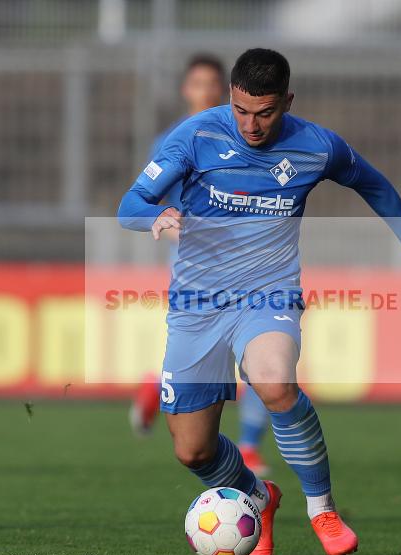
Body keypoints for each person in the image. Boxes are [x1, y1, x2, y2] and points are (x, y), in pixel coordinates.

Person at [118, 48, 401, 555]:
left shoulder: (316, 146)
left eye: (265, 112)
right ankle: (258, 496)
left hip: (268, 291)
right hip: (197, 303)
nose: (251, 125)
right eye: (241, 111)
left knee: (275, 382)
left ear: (287, 102)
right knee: (193, 449)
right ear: (231, 97)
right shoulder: (197, 135)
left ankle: (321, 508)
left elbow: (374, 185)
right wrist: (157, 218)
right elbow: (129, 206)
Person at [129, 54, 272, 476]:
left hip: (253, 269)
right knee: (208, 362)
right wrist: (179, 229)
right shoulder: (174, 141)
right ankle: (158, 388)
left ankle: (247, 447)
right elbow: (148, 201)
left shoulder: (246, 136)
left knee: (264, 359)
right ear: (186, 90)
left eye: (214, 84)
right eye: (198, 84)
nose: (206, 92)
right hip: (198, 272)